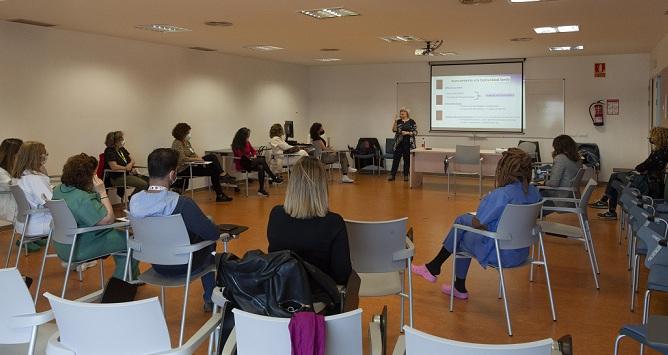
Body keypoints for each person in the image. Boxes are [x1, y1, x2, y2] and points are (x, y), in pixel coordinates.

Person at [411, 148, 541, 300]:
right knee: (461, 226)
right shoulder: (534, 192)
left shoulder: (502, 194)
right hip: (521, 253)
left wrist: (485, 200)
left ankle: (443, 275)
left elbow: (479, 222)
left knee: (460, 231)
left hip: (499, 253)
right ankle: (436, 270)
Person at [130, 148, 222, 312]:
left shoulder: (135, 201)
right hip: (183, 266)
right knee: (209, 242)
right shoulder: (182, 204)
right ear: (173, 175)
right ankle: (210, 298)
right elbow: (213, 234)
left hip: (156, 263)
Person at [51, 153, 138, 281]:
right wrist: (102, 192)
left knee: (121, 240)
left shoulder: (58, 190)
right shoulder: (82, 198)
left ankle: (129, 278)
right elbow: (108, 220)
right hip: (80, 247)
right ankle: (122, 284)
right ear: (87, 176)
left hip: (62, 245)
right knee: (132, 241)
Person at [267, 156, 352, 285]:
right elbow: (342, 275)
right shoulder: (333, 223)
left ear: (292, 184)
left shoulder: (276, 214)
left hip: (280, 293)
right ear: (322, 187)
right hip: (318, 298)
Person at [590, 127, 668, 219]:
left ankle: (607, 205)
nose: (650, 138)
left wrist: (640, 168)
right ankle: (607, 206)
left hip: (648, 183)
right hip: (650, 180)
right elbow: (646, 166)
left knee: (615, 178)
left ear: (658, 137)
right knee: (615, 179)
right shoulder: (663, 151)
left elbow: (642, 167)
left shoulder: (658, 153)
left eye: (652, 136)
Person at [171, 123, 233, 202]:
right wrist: (197, 160)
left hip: (193, 165)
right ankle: (221, 182)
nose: (190, 134)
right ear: (182, 133)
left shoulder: (186, 142)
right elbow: (182, 159)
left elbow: (193, 154)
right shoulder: (177, 143)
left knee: (212, 158)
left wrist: (199, 160)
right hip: (184, 168)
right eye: (188, 132)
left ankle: (220, 193)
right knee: (214, 170)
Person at [10, 141, 52, 252]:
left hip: (23, 224)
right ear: (36, 157)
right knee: (79, 220)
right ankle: (79, 260)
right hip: (40, 225)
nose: (45, 157)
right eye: (43, 154)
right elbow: (50, 203)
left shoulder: (19, 176)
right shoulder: (34, 178)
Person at [232, 127, 283, 197]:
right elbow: (241, 156)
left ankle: (261, 190)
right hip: (242, 164)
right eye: (247, 136)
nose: (248, 137)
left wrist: (254, 155)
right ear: (242, 136)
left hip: (250, 162)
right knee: (261, 160)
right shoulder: (236, 144)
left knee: (261, 167)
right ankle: (273, 177)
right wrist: (250, 156)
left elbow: (253, 151)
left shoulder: (247, 142)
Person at [103, 131, 149, 200]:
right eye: (121, 139)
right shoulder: (109, 151)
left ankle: (135, 199)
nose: (123, 141)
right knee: (143, 184)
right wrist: (126, 168)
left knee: (150, 181)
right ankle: (133, 199)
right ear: (115, 141)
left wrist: (130, 165)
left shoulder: (122, 149)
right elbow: (114, 166)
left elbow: (132, 160)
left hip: (127, 174)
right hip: (117, 178)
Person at [541, 135, 583, 209]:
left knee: (533, 194)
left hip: (560, 198)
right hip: (573, 197)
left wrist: (544, 183)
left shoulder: (560, 158)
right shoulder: (578, 159)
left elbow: (554, 183)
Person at [388, 108, 417, 182]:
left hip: (408, 143)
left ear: (407, 113)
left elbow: (415, 132)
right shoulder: (398, 121)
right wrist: (394, 121)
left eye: (403, 112)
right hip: (399, 143)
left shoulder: (412, 121)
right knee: (396, 159)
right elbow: (394, 130)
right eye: (400, 113)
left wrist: (407, 133)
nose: (401, 114)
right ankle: (392, 175)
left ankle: (406, 175)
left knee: (406, 160)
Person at [0, 138, 22, 223]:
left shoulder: (11, 169)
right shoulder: (1, 172)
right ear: (12, 154)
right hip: (8, 206)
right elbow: (12, 186)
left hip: (14, 203)